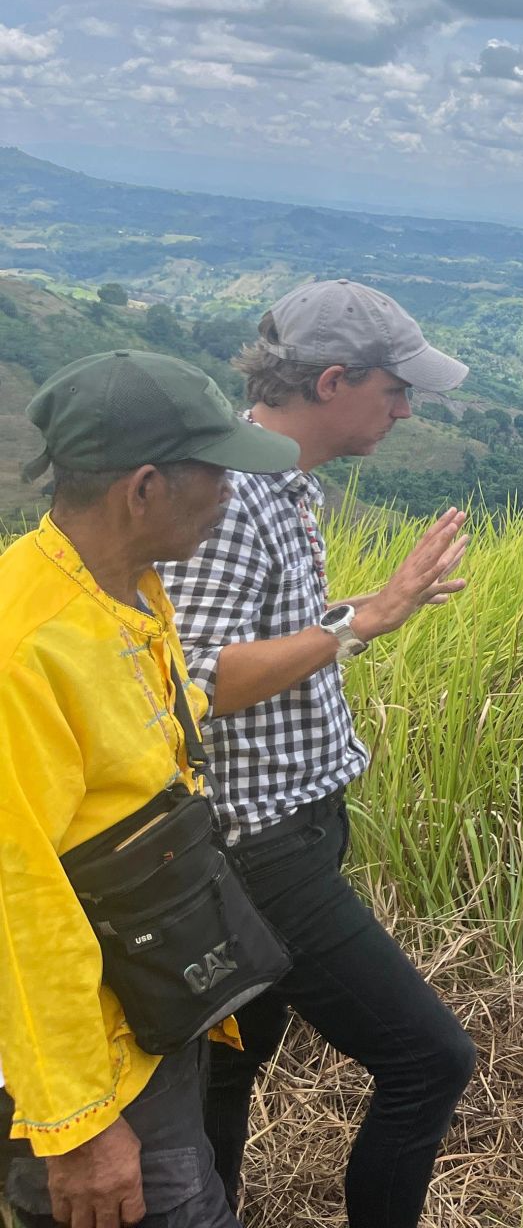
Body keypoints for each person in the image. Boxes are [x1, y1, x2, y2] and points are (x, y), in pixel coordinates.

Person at [159, 281, 477, 1228]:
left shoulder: (280, 485)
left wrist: (361, 614)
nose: (406, 409)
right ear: (332, 381)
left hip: (288, 830)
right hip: (257, 850)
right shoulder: (229, 497)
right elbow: (193, 680)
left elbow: (268, 641)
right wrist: (362, 622)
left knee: (232, 1062)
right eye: (394, 388)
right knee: (430, 1061)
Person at [1, 351, 300, 1228]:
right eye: (217, 473)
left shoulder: (123, 590)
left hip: (145, 1011)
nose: (229, 494)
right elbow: (17, 903)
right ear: (144, 489)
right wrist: (79, 1127)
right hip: (89, 1069)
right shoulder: (27, 649)